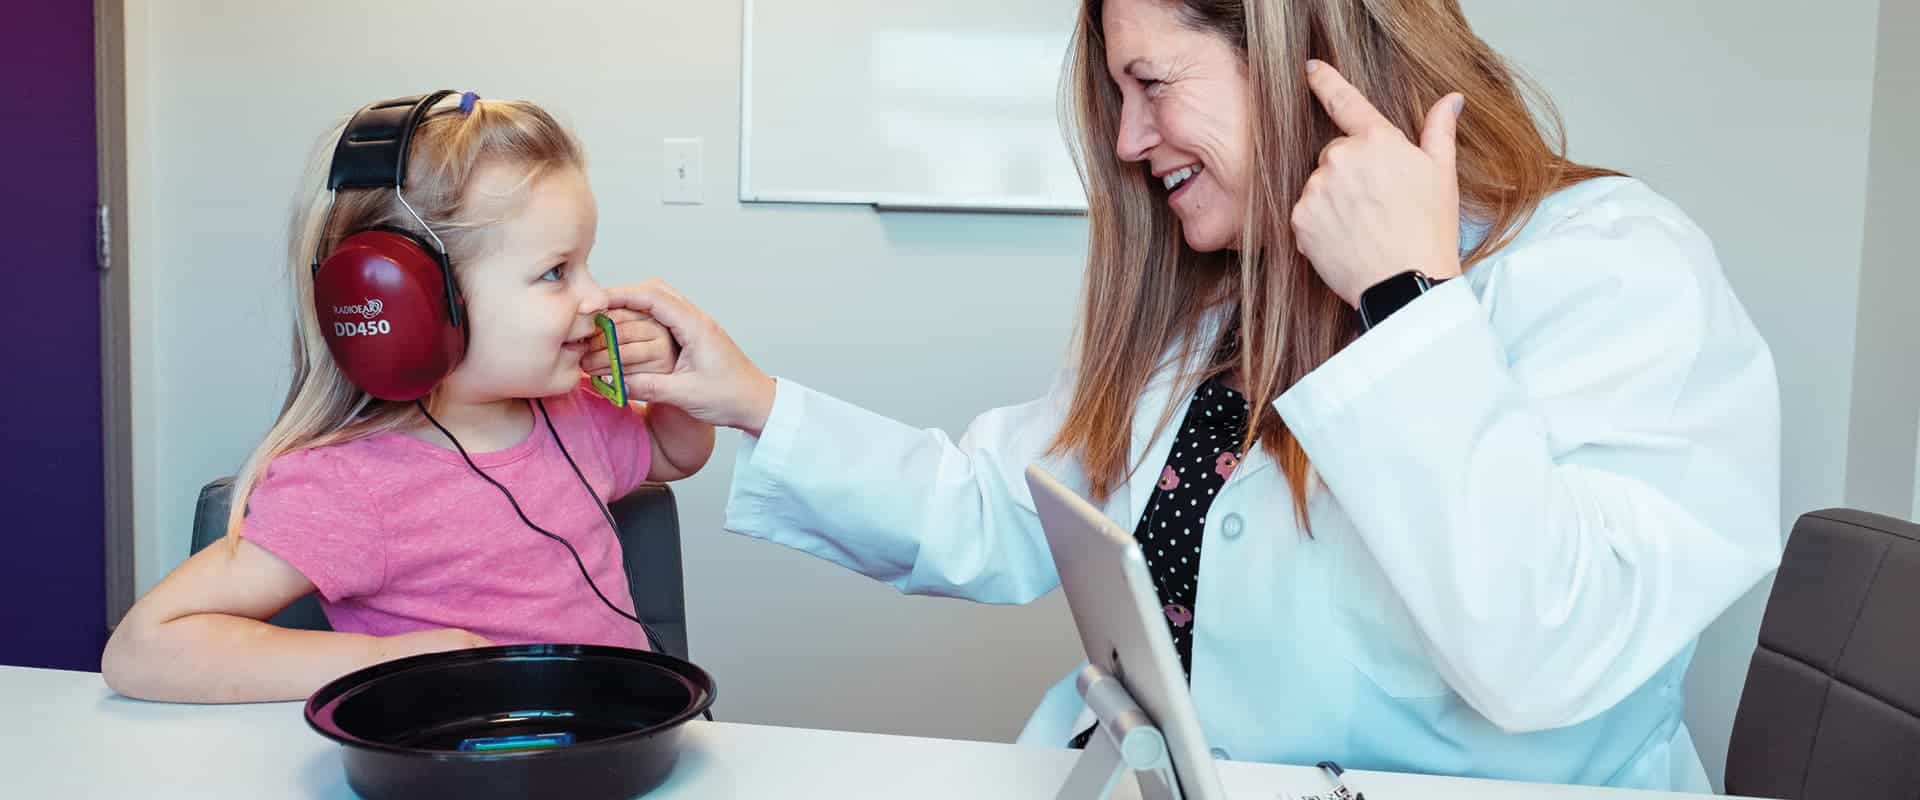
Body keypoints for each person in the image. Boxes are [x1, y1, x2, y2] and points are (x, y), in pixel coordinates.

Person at [613, 0, 1780, 790]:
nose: (1127, 138)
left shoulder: (1615, 268)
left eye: (1152, 83)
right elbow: (997, 504)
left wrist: (1408, 298)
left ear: (1296, 50)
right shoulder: (1225, 303)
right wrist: (750, 398)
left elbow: (1549, 653)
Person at [102, 92, 714, 703]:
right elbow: (143, 648)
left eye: (586, 265)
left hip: (617, 745)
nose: (596, 297)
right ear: (413, 304)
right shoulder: (349, 485)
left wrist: (672, 386)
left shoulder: (572, 412)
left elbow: (673, 451)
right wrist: (385, 659)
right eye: (556, 272)